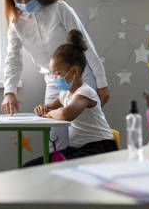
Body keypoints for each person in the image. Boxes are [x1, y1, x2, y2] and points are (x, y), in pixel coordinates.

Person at [1, 0, 110, 151]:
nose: (24, 4)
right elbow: (12, 58)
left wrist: (102, 81)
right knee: (54, 139)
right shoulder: (16, 23)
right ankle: (59, 170)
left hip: (80, 76)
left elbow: (85, 44)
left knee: (85, 132)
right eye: (18, 0)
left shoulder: (59, 8)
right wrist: (9, 92)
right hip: (54, 81)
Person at [25, 29, 117, 165]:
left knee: (59, 166)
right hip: (79, 149)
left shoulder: (85, 92)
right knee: (30, 167)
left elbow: (66, 114)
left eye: (57, 73)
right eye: (52, 73)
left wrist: (48, 113)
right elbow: (48, 108)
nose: (54, 77)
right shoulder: (65, 94)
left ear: (74, 71)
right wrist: (41, 109)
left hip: (100, 147)